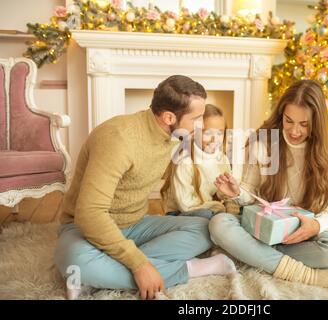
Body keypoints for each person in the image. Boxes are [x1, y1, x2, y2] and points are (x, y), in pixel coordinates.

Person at [54, 76, 235, 300]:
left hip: (136, 224)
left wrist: (226, 191)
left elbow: (197, 171)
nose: (201, 125)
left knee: (207, 228)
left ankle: (104, 274)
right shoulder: (118, 139)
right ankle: (191, 269)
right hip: (84, 229)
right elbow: (88, 215)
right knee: (76, 261)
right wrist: (139, 265)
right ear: (169, 117)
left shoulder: (175, 135)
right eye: (197, 118)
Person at [210, 80, 328, 291]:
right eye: (289, 121)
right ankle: (308, 276)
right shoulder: (263, 143)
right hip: (259, 230)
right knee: (219, 223)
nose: (295, 131)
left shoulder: (327, 157)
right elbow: (250, 193)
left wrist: (315, 226)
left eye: (304, 124)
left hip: (295, 236)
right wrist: (236, 193)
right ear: (281, 116)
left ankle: (250, 255)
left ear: (317, 122)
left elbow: (327, 211)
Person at [161, 104, 238, 220]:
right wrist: (219, 207)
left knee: (236, 212)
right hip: (181, 213)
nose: (214, 139)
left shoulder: (223, 159)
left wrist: (231, 211)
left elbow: (224, 195)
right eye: (207, 133)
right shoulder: (185, 161)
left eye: (219, 133)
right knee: (207, 215)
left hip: (211, 208)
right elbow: (186, 205)